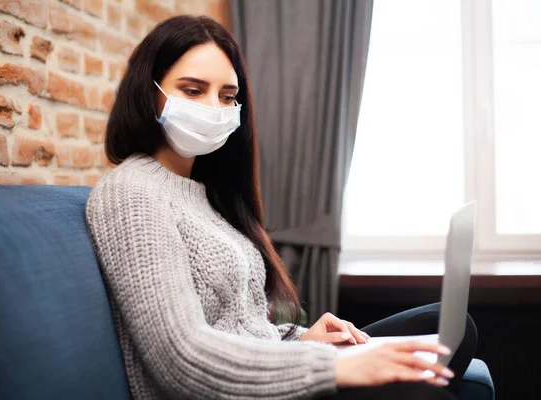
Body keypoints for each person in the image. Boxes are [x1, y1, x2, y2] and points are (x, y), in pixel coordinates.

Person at [85, 15, 477, 400]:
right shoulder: (132, 193)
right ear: (148, 91)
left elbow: (243, 324)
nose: (214, 108)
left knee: (451, 328)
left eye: (226, 97)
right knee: (428, 383)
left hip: (268, 367)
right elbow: (182, 358)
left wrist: (302, 337)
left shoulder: (207, 192)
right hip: (220, 391)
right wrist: (334, 366)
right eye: (192, 90)